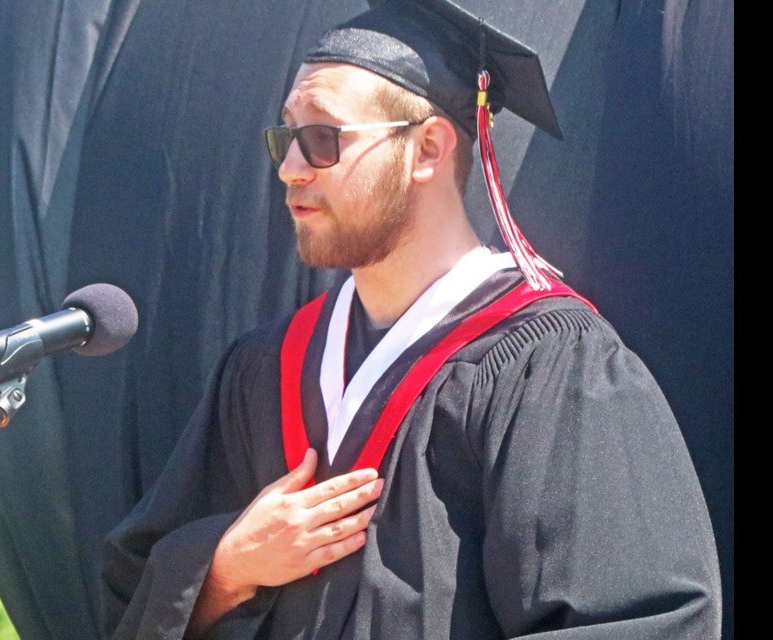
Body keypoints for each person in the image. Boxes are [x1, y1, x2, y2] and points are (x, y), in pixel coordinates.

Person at [100, 1, 722, 637]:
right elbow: (129, 590)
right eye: (285, 137)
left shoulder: (547, 366)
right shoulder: (265, 368)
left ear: (427, 147)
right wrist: (226, 568)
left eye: (322, 138)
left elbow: (643, 621)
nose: (289, 168)